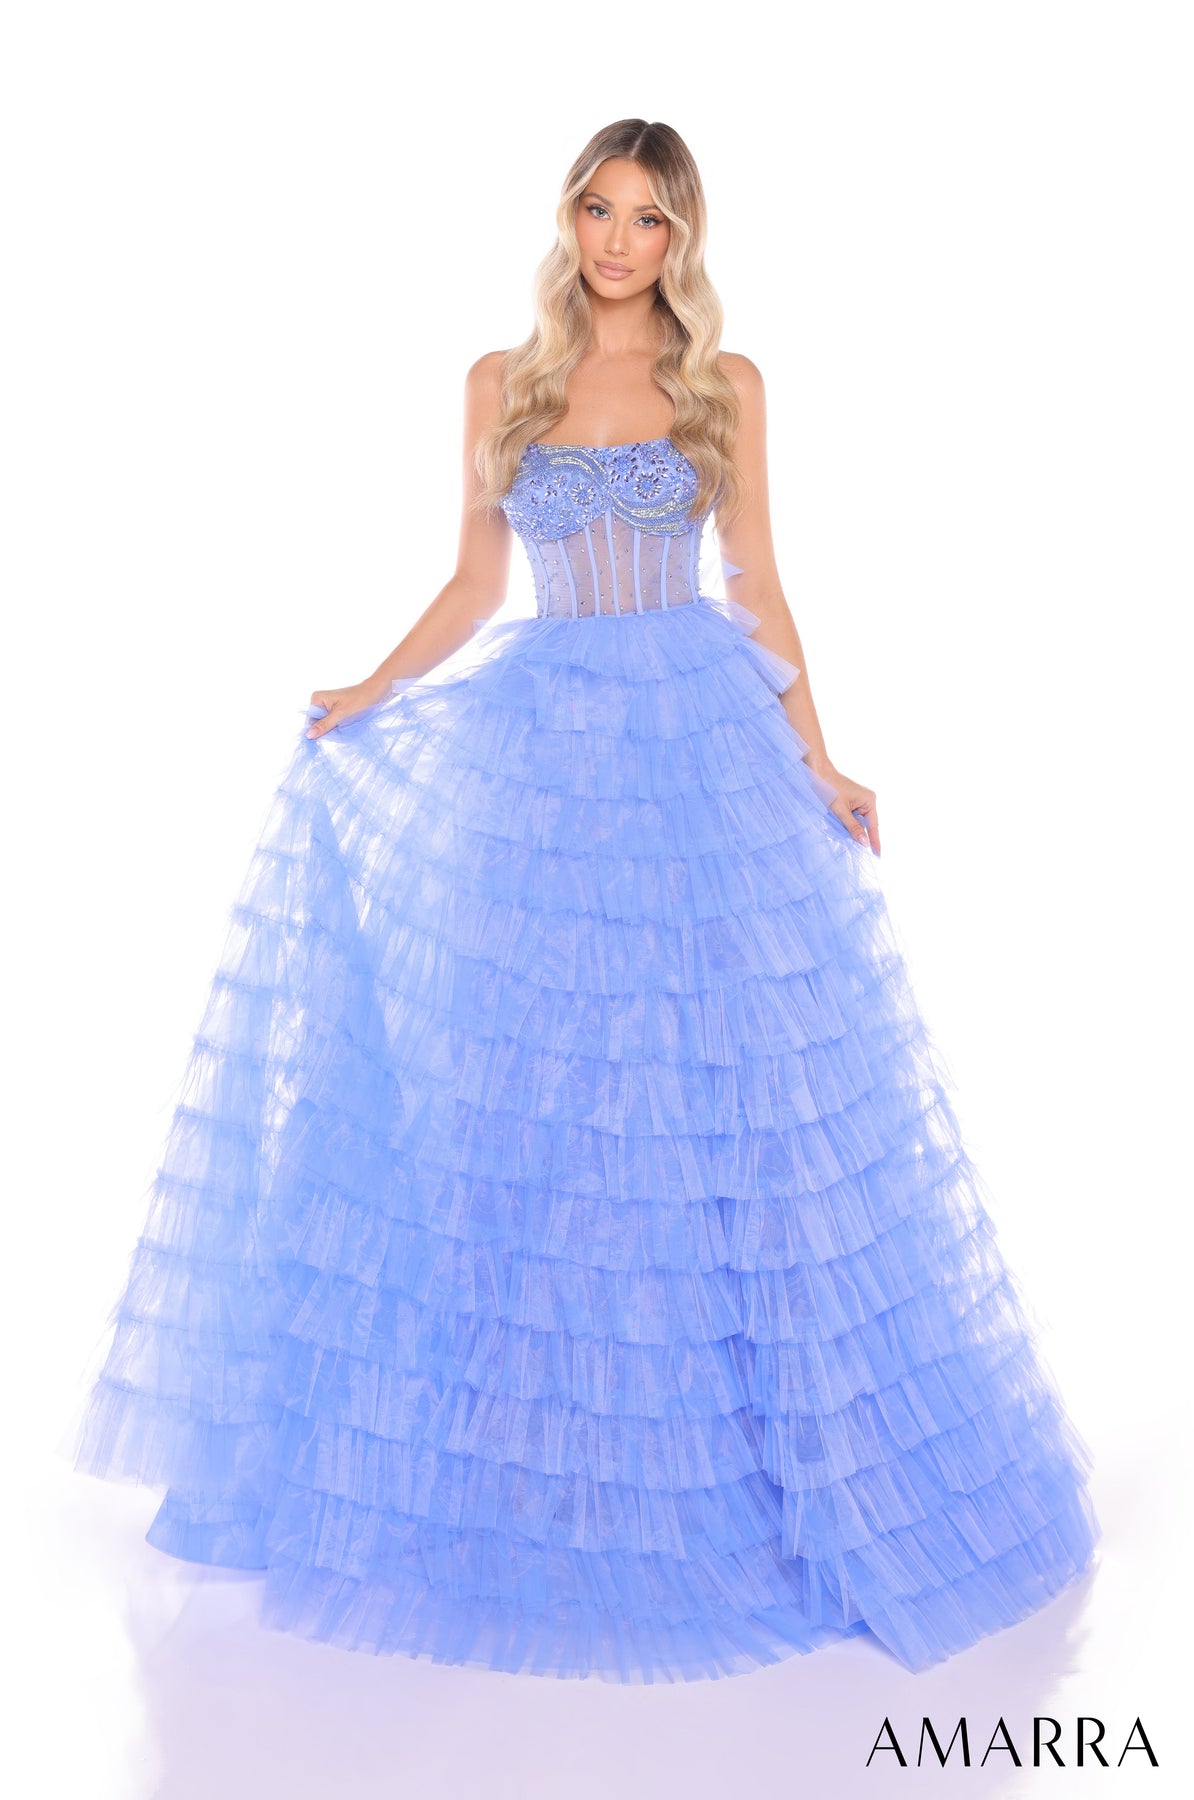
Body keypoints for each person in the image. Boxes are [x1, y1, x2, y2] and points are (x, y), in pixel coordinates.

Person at [67, 117, 1099, 1680]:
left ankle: (725, 1459)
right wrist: (369, 686)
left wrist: (817, 757)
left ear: (682, 237)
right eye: (598, 211)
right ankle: (536, 1456)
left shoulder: (723, 385)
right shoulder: (503, 380)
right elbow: (476, 584)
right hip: (541, 750)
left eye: (647, 218)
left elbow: (758, 582)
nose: (618, 242)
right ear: (570, 220)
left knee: (705, 1093)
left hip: (695, 743)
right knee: (537, 1090)